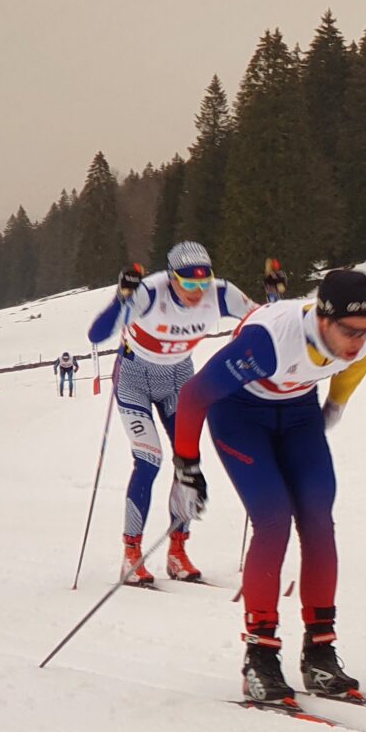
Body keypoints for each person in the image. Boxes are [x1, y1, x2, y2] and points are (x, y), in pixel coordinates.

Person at [171, 269, 366, 704]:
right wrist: (187, 468)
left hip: (298, 412)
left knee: (318, 519)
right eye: (350, 331)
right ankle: (260, 657)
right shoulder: (267, 343)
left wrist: (336, 405)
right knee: (273, 521)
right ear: (322, 318)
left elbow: (356, 363)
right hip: (240, 415)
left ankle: (320, 653)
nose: (358, 342)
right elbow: (195, 395)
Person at [87, 244, 258, 585]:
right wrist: (122, 299)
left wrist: (274, 301)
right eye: (188, 284)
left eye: (203, 284)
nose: (197, 293)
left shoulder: (222, 295)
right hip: (134, 379)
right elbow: (97, 334)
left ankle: (177, 551)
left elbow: (265, 321)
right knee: (149, 461)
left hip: (179, 380)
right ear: (171, 277)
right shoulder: (150, 293)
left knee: (187, 462)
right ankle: (131, 553)